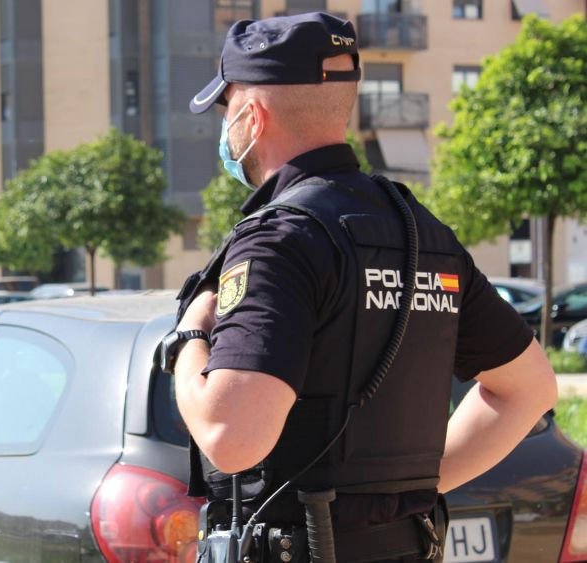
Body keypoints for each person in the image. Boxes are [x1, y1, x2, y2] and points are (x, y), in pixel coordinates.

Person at [165, 12, 557, 563]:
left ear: (252, 116)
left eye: (226, 110)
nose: (226, 129)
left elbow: (231, 438)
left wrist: (188, 338)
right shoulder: (423, 232)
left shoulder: (279, 241)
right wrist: (400, 500)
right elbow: (529, 390)